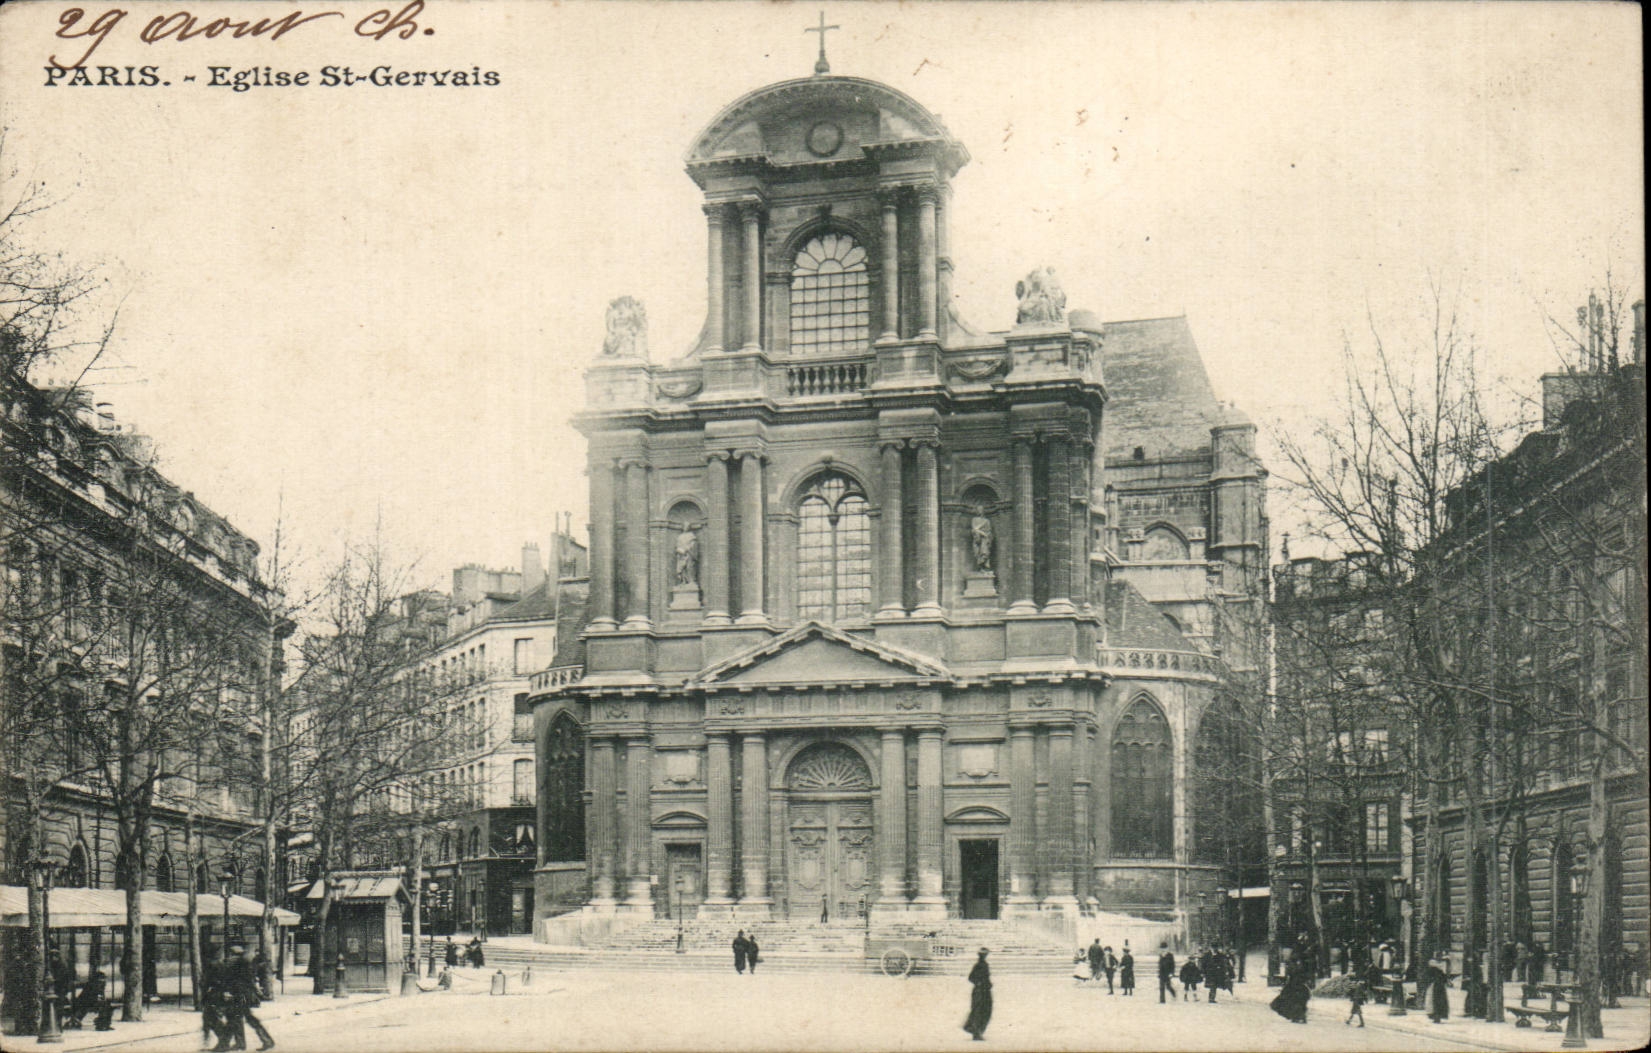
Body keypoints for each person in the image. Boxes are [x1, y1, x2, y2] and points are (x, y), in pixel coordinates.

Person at [233, 945, 276, 1051]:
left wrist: (259, 993)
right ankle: (242, 1043)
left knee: (245, 1019)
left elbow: (250, 981)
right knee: (242, 1018)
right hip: (241, 994)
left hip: (243, 995)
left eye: (233, 953)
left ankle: (265, 1041)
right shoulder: (243, 962)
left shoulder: (242, 963)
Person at [963, 948, 992, 1041]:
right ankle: (976, 1032)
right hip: (979, 991)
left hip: (985, 990)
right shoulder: (978, 965)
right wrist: (978, 983)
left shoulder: (984, 965)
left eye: (985, 955)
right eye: (983, 955)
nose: (985, 956)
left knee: (985, 1010)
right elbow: (971, 977)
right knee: (978, 1011)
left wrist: (989, 984)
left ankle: (977, 1031)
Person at [1270, 958, 1311, 1024]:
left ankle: (1297, 1016)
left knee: (1292, 1001)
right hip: (1298, 987)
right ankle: (1298, 1016)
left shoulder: (1293, 966)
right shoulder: (1301, 966)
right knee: (1297, 1001)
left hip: (1294, 986)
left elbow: (1289, 977)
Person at [1423, 957, 1450, 1023]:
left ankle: (1435, 1016)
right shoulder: (1440, 971)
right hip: (1441, 988)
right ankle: (1438, 1016)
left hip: (1433, 988)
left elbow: (1426, 979)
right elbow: (1445, 979)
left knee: (1432, 1002)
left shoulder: (1430, 970)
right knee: (1439, 1002)